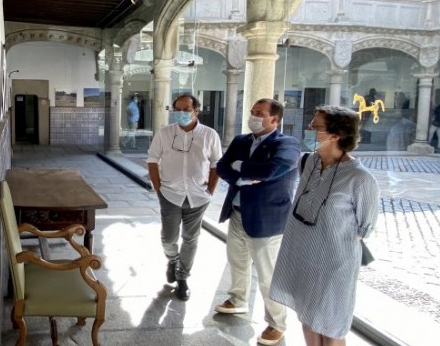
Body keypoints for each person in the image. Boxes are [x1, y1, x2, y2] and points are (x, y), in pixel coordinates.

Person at [269, 105, 379, 346]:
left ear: (335, 135)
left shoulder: (359, 178)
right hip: (302, 256)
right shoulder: (308, 162)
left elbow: (366, 226)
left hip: (334, 265)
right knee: (307, 317)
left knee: (330, 326)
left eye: (315, 126)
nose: (309, 129)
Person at [213, 98, 300, 346]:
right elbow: (221, 167)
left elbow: (272, 170)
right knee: (237, 262)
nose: (252, 116)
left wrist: (239, 165)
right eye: (252, 112)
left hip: (267, 219)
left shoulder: (287, 144)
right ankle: (238, 300)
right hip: (238, 212)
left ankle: (276, 323)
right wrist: (241, 178)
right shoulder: (241, 141)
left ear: (274, 119)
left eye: (259, 113)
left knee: (267, 275)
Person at [147, 93, 222, 301]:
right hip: (170, 193)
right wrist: (158, 187)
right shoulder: (164, 133)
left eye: (186, 109)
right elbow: (152, 160)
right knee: (168, 237)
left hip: (198, 196)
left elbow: (216, 164)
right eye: (178, 109)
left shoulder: (209, 135)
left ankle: (182, 278)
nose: (181, 113)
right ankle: (172, 259)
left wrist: (210, 191)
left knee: (191, 238)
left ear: (196, 110)